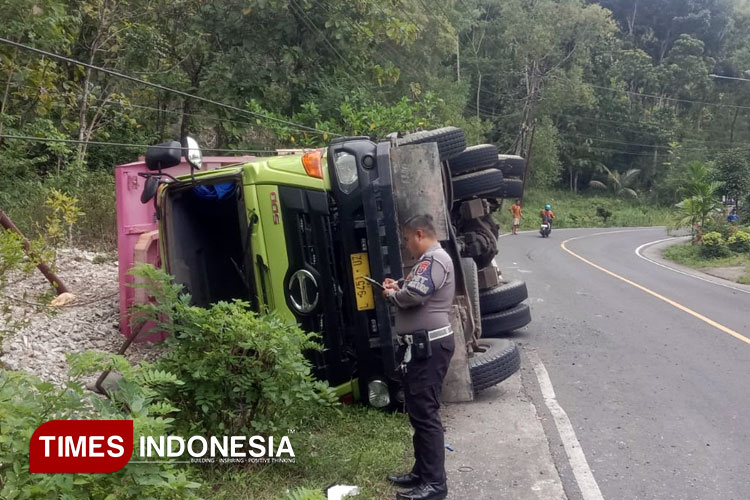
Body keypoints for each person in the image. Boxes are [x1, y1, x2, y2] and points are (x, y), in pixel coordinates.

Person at [381, 214, 455, 500]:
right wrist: (397, 287)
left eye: (408, 239)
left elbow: (415, 295)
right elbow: (412, 288)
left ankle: (435, 484)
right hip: (421, 348)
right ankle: (421, 472)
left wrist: (391, 294)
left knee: (426, 415)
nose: (407, 245)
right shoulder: (430, 261)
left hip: (429, 349)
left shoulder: (434, 259)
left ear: (420, 234)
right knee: (418, 412)